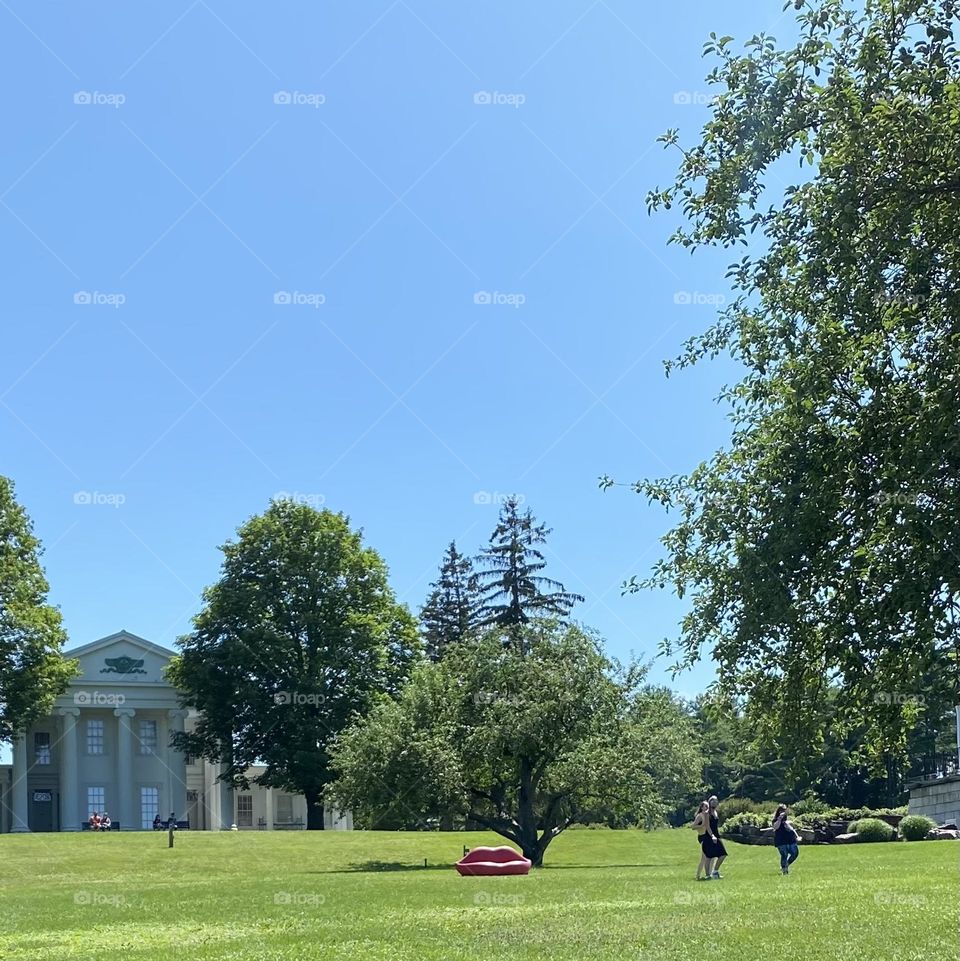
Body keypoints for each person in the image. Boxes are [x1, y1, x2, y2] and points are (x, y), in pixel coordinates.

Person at [703, 795, 728, 878]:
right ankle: (707, 875)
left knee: (723, 854)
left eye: (716, 801)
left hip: (716, 835)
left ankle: (715, 871)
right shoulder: (707, 813)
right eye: (713, 801)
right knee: (709, 856)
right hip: (709, 836)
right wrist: (712, 836)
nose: (714, 802)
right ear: (709, 802)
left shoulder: (716, 812)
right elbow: (707, 826)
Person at [773, 804, 801, 874]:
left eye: (784, 811)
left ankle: (786, 865)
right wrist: (779, 819)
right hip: (781, 840)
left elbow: (792, 829)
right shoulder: (775, 820)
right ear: (779, 811)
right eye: (782, 810)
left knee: (795, 853)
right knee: (784, 855)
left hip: (790, 839)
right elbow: (775, 827)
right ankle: (785, 871)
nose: (783, 812)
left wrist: (797, 836)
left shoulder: (787, 821)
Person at [691, 801, 713, 880]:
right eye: (705, 806)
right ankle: (697, 876)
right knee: (704, 857)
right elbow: (693, 827)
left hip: (708, 836)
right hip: (702, 836)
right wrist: (701, 825)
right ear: (702, 807)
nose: (707, 808)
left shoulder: (708, 816)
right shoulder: (699, 816)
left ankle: (709, 874)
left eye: (708, 806)